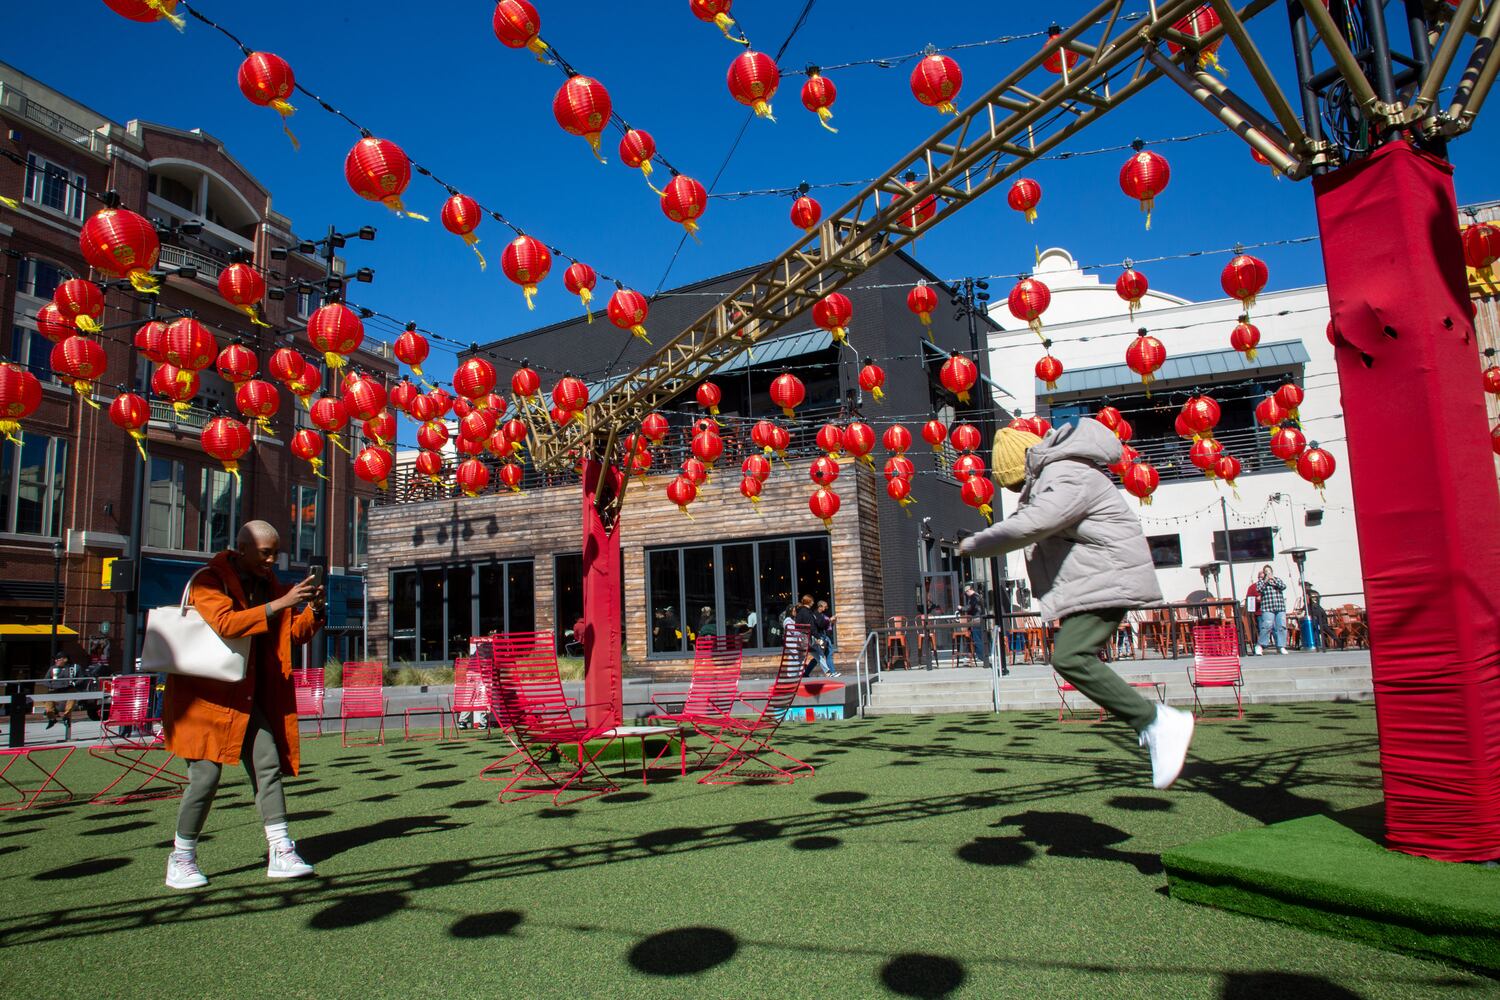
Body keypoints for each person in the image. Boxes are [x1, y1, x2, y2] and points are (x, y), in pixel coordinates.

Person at [959, 422, 1195, 790]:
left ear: (1025, 468)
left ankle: (1156, 721)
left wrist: (975, 544)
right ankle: (1152, 721)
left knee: (1070, 657)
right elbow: (1032, 521)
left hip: (1109, 577)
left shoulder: (1063, 473)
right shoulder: (1059, 475)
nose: (1017, 491)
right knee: (1070, 657)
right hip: (1102, 578)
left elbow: (1034, 523)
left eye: (1016, 484)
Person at [161, 521, 323, 890]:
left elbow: (291, 635)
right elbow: (225, 624)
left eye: (275, 553)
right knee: (205, 777)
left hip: (246, 697)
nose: (272, 560)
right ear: (242, 548)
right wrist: (281, 603)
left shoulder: (269, 584)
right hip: (203, 698)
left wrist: (313, 610)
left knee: (267, 765)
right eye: (265, 553)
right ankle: (181, 857)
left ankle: (281, 848)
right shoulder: (209, 579)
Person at [1254, 564, 1288, 655]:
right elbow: (1259, 589)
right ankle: (1260, 645)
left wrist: (1274, 580)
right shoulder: (1261, 582)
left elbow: (1283, 586)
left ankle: (1281, 646)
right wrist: (1266, 581)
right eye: (1266, 571)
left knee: (1281, 626)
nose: (1268, 573)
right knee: (1267, 626)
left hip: (1279, 606)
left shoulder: (1277, 580)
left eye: (1269, 571)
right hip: (1268, 607)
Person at [44, 652, 78, 736]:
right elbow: (45, 680)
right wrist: (51, 685)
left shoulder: (72, 668)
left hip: (68, 690)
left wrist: (73, 683)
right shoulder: (52, 668)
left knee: (72, 696)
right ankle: (52, 719)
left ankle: (66, 717)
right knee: (48, 699)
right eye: (55, 659)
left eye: (58, 659)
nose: (56, 661)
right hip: (55, 690)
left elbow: (81, 678)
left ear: (65, 659)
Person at [961, 583, 990, 668]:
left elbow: (970, 607)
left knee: (977, 639)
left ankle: (981, 656)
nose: (966, 594)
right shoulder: (978, 596)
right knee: (981, 638)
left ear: (969, 590)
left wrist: (961, 608)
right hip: (981, 619)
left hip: (977, 620)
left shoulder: (973, 597)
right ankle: (984, 655)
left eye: (966, 592)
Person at [814, 600, 840, 677]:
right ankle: (831, 672)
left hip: (825, 636)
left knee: (825, 654)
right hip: (820, 637)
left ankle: (832, 672)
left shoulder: (822, 615)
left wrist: (831, 622)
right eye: (825, 606)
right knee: (821, 656)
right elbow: (819, 625)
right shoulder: (816, 614)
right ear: (820, 606)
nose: (826, 608)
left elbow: (825, 627)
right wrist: (829, 620)